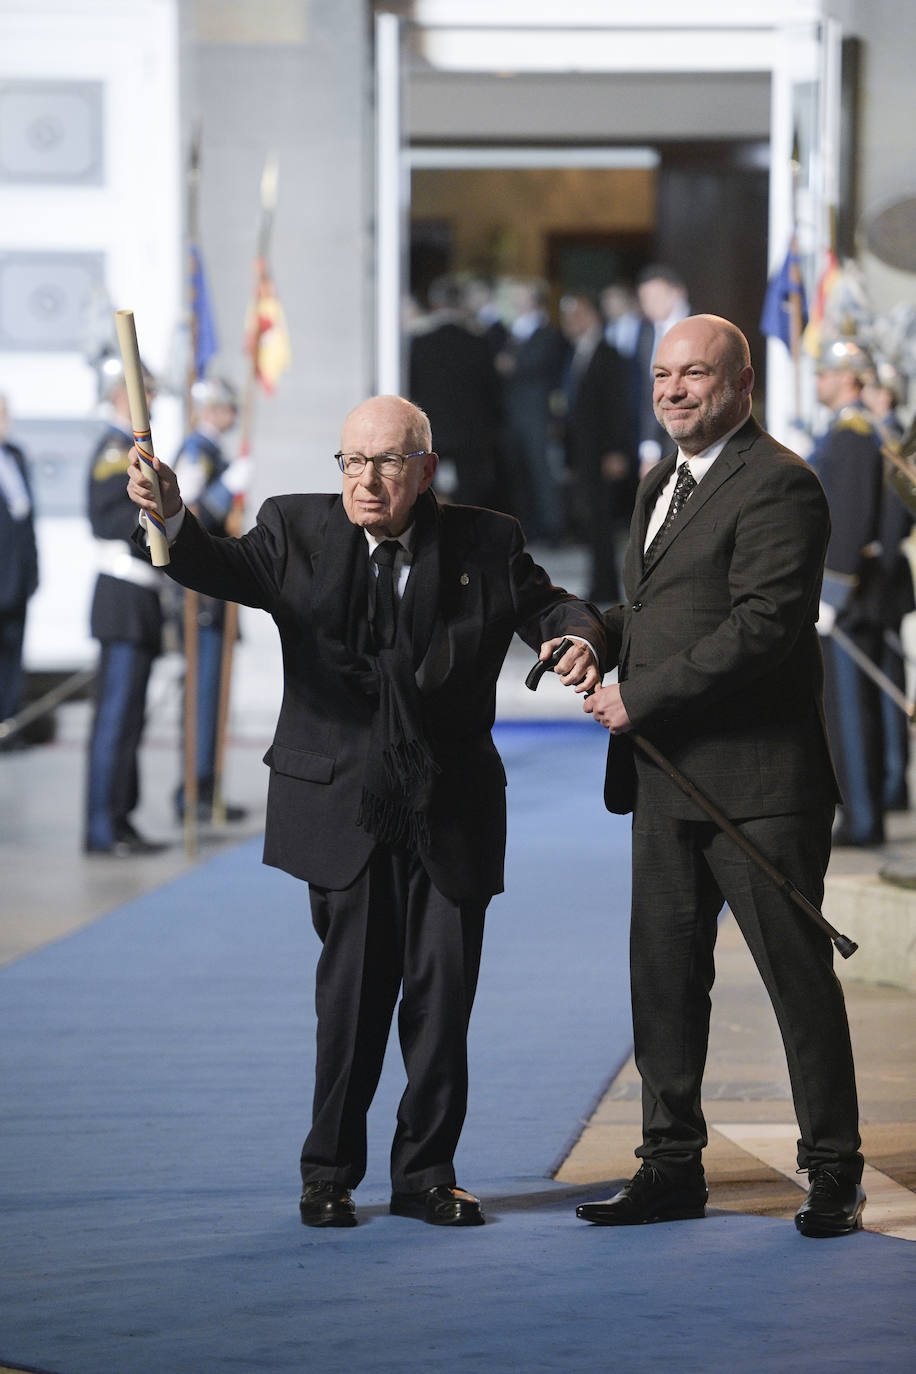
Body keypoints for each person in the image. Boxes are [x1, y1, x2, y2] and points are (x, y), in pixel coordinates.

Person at [126, 394, 605, 1228]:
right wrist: (172, 512)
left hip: (449, 806)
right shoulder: (295, 529)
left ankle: (426, 1175)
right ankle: (328, 1174)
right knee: (350, 999)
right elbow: (218, 566)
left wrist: (579, 637)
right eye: (353, 461)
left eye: (387, 463)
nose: (367, 480)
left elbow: (546, 605)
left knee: (442, 999)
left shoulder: (485, 539)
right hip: (342, 804)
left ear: (425, 470)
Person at [577, 314, 865, 1239]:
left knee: (795, 981)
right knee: (662, 979)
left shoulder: (782, 483)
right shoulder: (662, 480)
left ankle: (831, 1171)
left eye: (694, 374)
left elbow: (763, 626)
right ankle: (670, 1168)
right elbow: (661, 605)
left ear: (742, 384)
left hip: (760, 785)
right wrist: (594, 634)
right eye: (663, 375)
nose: (673, 390)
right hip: (666, 782)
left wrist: (640, 696)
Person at [84, 358, 168, 857]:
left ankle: (120, 817)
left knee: (130, 720)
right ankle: (102, 827)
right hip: (122, 592)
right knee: (114, 721)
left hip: (139, 597)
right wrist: (151, 523)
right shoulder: (117, 450)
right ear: (122, 397)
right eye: (144, 394)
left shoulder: (134, 450)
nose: (151, 403)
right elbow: (106, 516)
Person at [809, 340, 888, 846]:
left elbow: (851, 520)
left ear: (848, 378)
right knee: (844, 711)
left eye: (825, 372)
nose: (817, 380)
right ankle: (860, 811)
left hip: (849, 600)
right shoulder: (844, 432)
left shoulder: (853, 435)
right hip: (850, 596)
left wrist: (832, 597)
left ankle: (863, 816)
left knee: (850, 714)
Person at [171, 375, 250, 823]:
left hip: (218, 591)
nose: (233, 414)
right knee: (203, 696)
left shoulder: (214, 452)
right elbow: (191, 515)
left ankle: (208, 787)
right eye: (226, 407)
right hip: (199, 598)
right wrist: (226, 489)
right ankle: (194, 789)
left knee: (214, 695)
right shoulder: (197, 453)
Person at [559, 292, 636, 603]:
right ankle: (599, 584)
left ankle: (606, 586)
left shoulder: (608, 354)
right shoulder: (577, 353)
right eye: (566, 318)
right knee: (591, 520)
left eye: (576, 316)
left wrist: (617, 450)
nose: (570, 324)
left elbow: (619, 406)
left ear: (590, 316)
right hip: (583, 453)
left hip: (603, 453)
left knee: (602, 521)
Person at [407, 276, 504, 509]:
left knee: (427, 498)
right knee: (468, 502)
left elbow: (411, 390)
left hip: (430, 434)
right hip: (471, 437)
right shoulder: (478, 343)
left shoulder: (420, 344)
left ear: (434, 304)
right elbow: (493, 393)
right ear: (461, 305)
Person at [498, 278, 569, 542]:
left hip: (536, 414)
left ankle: (554, 528)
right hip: (515, 414)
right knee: (520, 474)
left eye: (521, 295)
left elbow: (538, 365)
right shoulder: (514, 331)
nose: (516, 301)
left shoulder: (546, 332)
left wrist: (512, 365)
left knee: (542, 472)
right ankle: (529, 526)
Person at [0, 394, 39, 737]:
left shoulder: (15, 456)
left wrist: (32, 571)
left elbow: (26, 522)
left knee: (14, 655)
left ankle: (10, 725)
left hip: (16, 578)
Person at [633, 264, 691, 476]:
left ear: (677, 293)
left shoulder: (701, 326)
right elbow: (648, 392)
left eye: (656, 297)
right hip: (661, 438)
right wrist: (649, 451)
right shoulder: (645, 332)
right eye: (645, 300)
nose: (650, 305)